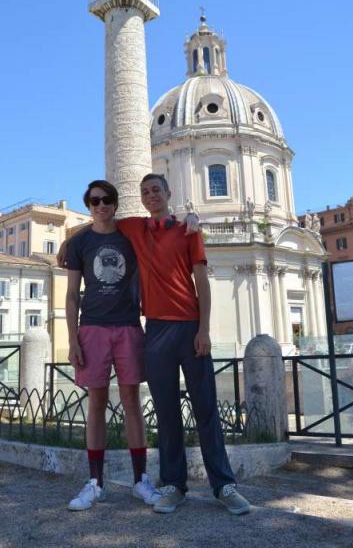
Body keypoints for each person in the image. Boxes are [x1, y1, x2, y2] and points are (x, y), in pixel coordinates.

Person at [59, 174, 250, 515]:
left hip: (185, 326)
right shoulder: (135, 228)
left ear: (168, 192)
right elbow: (101, 223)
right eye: (145, 192)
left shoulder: (188, 230)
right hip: (154, 329)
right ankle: (173, 485)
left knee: (205, 408)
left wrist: (204, 329)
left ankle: (223, 485)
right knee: (165, 412)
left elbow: (202, 283)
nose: (151, 196)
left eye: (156, 190)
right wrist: (67, 240)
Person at [65, 180, 160, 511]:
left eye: (107, 200)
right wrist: (72, 339)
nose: (101, 205)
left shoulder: (130, 235)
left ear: (116, 203)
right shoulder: (79, 243)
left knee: (132, 401)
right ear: (88, 205)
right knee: (96, 403)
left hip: (129, 325)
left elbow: (159, 222)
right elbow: (72, 294)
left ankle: (140, 480)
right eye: (95, 201)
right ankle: (95, 483)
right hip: (92, 328)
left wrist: (190, 220)